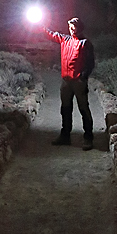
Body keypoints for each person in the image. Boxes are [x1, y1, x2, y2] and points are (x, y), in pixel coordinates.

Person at [42, 17, 95, 150]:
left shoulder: (85, 43)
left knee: (83, 108)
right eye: (70, 27)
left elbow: (90, 63)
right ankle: (65, 135)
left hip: (78, 82)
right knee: (65, 109)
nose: (72, 30)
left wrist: (82, 77)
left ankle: (88, 137)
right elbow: (51, 35)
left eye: (74, 27)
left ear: (80, 28)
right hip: (66, 81)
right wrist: (40, 25)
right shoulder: (65, 39)